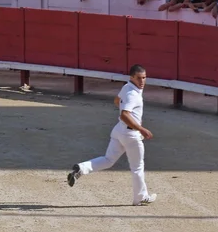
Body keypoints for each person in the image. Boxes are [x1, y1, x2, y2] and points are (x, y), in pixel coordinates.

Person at [67, 64, 157, 206]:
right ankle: (140, 197)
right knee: (137, 167)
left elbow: (117, 101)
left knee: (108, 159)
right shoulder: (133, 95)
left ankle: (81, 168)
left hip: (119, 131)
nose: (142, 81)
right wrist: (140, 128)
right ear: (132, 77)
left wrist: (133, 116)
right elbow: (124, 114)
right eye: (139, 78)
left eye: (144, 78)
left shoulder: (127, 87)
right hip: (131, 135)